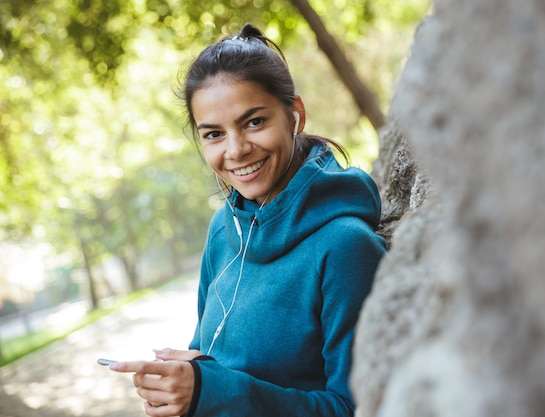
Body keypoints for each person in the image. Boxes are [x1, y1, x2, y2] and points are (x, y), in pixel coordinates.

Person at [109, 23, 386, 417]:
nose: (236, 150)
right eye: (213, 134)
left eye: (254, 122)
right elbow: (213, 364)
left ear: (295, 115)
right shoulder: (222, 229)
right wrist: (185, 382)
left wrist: (211, 392)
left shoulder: (346, 248)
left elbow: (354, 408)